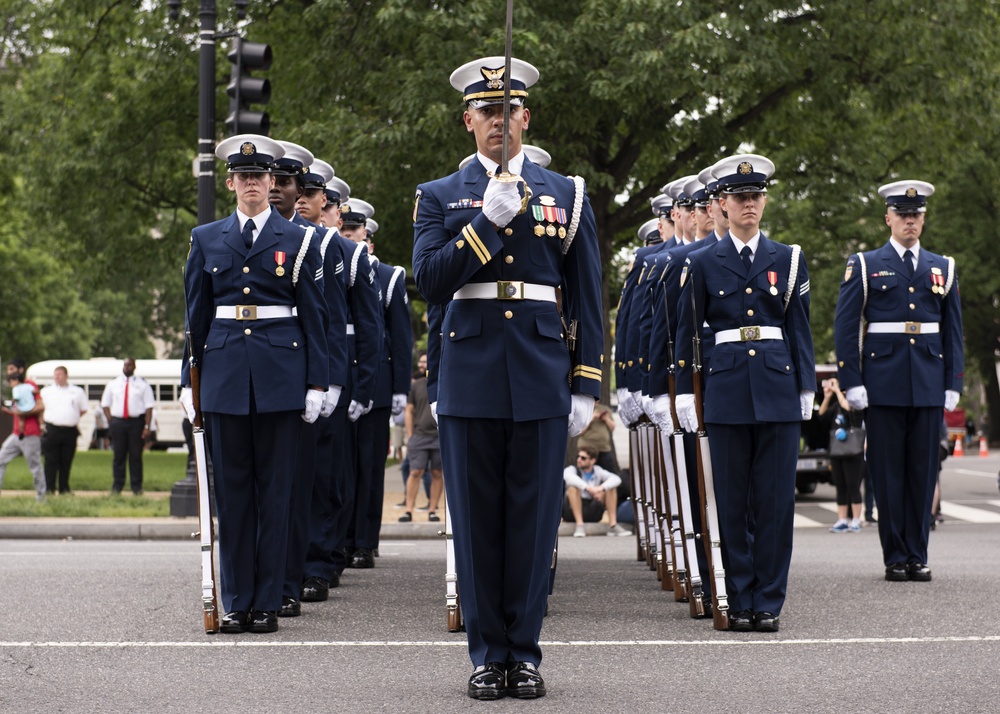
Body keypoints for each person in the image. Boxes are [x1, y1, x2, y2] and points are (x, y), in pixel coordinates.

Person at [413, 55, 602, 700]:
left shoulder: (566, 193)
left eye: (509, 110)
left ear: (527, 116)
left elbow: (585, 294)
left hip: (541, 370)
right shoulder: (438, 196)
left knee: (533, 521)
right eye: (486, 111)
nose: (499, 121)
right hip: (469, 373)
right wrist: (483, 225)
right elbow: (430, 282)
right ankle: (486, 653)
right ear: (468, 121)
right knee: (476, 523)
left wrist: (586, 382)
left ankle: (525, 653)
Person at [180, 134, 329, 634]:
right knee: (235, 497)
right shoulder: (206, 238)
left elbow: (316, 318)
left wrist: (317, 382)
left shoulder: (299, 239)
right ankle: (237, 600)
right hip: (223, 377)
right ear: (231, 184)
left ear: (271, 183)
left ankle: (268, 600)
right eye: (242, 178)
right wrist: (188, 379)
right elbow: (195, 319)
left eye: (259, 177)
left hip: (281, 376)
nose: (251, 185)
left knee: (276, 494)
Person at [673, 154, 815, 633]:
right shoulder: (701, 262)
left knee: (775, 502)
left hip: (776, 385)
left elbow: (800, 328)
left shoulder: (788, 258)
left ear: (764, 202)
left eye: (756, 196)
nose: (749, 204)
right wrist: (683, 394)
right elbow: (687, 331)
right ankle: (738, 596)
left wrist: (806, 385)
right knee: (732, 502)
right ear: (722, 205)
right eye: (740, 197)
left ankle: (768, 601)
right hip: (728, 386)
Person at [834, 179, 963, 582]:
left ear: (923, 218)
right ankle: (895, 555)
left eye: (917, 215)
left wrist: (953, 381)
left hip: (926, 380)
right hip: (883, 381)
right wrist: (851, 380)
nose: (910, 221)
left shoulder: (943, 266)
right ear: (888, 218)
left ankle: (917, 554)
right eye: (903, 215)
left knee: (923, 473)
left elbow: (953, 331)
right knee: (888, 472)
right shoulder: (866, 263)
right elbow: (846, 325)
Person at [340, 198, 412, 568]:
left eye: (354, 231)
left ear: (367, 236)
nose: (349, 236)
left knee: (369, 465)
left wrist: (400, 388)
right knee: (341, 465)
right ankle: (342, 537)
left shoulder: (388, 275)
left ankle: (365, 542)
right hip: (341, 376)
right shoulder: (332, 265)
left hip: (376, 381)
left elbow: (399, 336)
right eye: (344, 231)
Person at [399, 353, 444, 523]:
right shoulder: (416, 385)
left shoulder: (442, 382)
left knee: (437, 473)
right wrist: (410, 435)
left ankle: (432, 510)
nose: (425, 365)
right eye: (422, 361)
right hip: (419, 435)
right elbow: (408, 410)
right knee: (415, 471)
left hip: (438, 436)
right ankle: (408, 510)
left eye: (427, 361)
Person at [100, 357, 154, 495]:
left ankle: (136, 487)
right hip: (118, 422)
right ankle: (117, 486)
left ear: (134, 367)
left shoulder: (143, 385)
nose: (127, 367)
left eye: (129, 365)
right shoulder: (113, 384)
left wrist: (147, 427)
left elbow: (149, 407)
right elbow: (105, 404)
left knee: (135, 456)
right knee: (118, 455)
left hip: (136, 422)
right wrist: (110, 420)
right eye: (125, 365)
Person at [818, 377, 865, 533]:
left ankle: (857, 520)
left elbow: (848, 408)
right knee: (840, 486)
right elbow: (821, 414)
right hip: (837, 451)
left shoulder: (856, 405)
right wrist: (827, 396)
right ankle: (842, 519)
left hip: (853, 452)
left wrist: (838, 390)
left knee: (853, 486)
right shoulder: (836, 406)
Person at [0, 359, 45, 500]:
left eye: (12, 369)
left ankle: (41, 499)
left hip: (30, 433)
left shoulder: (28, 385)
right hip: (16, 434)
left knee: (35, 466)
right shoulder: (17, 387)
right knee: (0, 460)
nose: (9, 372)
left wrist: (21, 413)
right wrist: (10, 411)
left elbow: (40, 406)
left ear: (20, 370)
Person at [40, 366, 88, 494]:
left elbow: (83, 409)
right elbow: (41, 408)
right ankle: (49, 488)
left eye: (60, 374)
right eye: (55, 374)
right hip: (52, 428)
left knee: (66, 460)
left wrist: (71, 417)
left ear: (66, 376)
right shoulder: (46, 391)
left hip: (69, 430)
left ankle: (64, 488)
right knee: (51, 460)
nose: (57, 377)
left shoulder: (77, 391)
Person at [563, 446, 628, 537]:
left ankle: (613, 525)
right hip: (572, 512)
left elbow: (616, 479)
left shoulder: (598, 471)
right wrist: (588, 488)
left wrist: (601, 488)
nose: (579, 460)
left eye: (583, 458)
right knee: (572, 488)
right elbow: (567, 477)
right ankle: (579, 525)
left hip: (593, 509)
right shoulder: (572, 469)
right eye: (578, 456)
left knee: (611, 488)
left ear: (593, 460)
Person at [576, 401, 618, 475]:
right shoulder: (585, 409)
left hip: (603, 448)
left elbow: (612, 428)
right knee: (586, 471)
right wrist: (591, 419)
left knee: (610, 472)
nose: (596, 402)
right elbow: (580, 431)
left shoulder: (605, 408)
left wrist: (606, 419)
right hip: (587, 449)